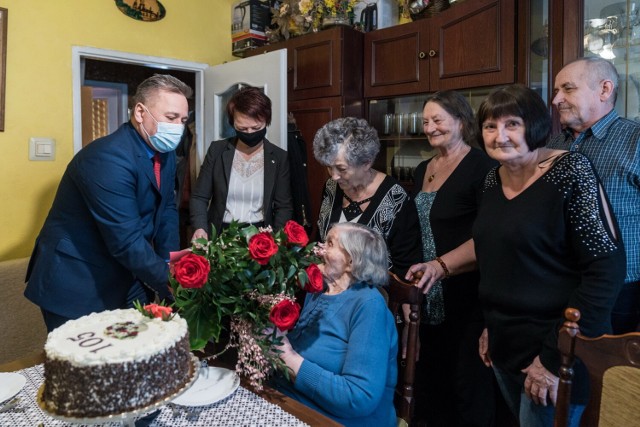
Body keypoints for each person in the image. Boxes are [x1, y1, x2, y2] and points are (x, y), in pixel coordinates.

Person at [407, 84, 625, 427]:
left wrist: (554, 358)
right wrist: (491, 325)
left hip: (557, 352)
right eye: (491, 126)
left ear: (535, 126)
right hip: (505, 344)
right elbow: (494, 254)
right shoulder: (494, 180)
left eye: (512, 124)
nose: (500, 136)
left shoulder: (571, 172)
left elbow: (605, 270)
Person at [25, 74, 192, 332]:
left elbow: (167, 212)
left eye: (183, 120)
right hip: (77, 279)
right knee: (83, 365)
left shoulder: (166, 155)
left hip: (125, 273)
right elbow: (126, 241)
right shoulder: (107, 158)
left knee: (136, 352)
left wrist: (175, 268)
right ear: (140, 112)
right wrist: (174, 284)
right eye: (171, 118)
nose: (178, 128)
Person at [411, 91, 498, 427]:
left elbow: (490, 236)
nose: (430, 128)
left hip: (467, 294)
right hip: (426, 294)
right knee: (432, 383)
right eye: (425, 122)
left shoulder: (483, 167)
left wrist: (442, 265)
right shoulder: (423, 168)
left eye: (437, 121)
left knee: (468, 388)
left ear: (461, 122)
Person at [273, 222, 398, 427]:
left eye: (330, 243)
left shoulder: (369, 306)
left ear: (351, 261)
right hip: (292, 402)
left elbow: (359, 397)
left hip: (338, 420)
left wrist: (287, 356)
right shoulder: (320, 289)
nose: (319, 248)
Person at [548, 57, 640, 333]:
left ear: (604, 90)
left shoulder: (635, 141)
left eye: (567, 88)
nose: (556, 100)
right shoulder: (554, 145)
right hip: (559, 288)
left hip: (622, 297)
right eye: (555, 91)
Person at [314, 117, 421, 276]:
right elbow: (320, 241)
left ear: (366, 163)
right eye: (330, 168)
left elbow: (406, 268)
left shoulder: (396, 198)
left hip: (375, 296)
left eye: (341, 169)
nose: (334, 176)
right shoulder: (331, 188)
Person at [190, 87, 293, 239]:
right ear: (233, 124)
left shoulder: (278, 157)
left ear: (266, 121)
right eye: (242, 128)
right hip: (220, 233)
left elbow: (283, 206)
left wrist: (277, 241)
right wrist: (200, 228)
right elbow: (199, 196)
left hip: (261, 237)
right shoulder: (217, 150)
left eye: (256, 127)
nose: (250, 132)